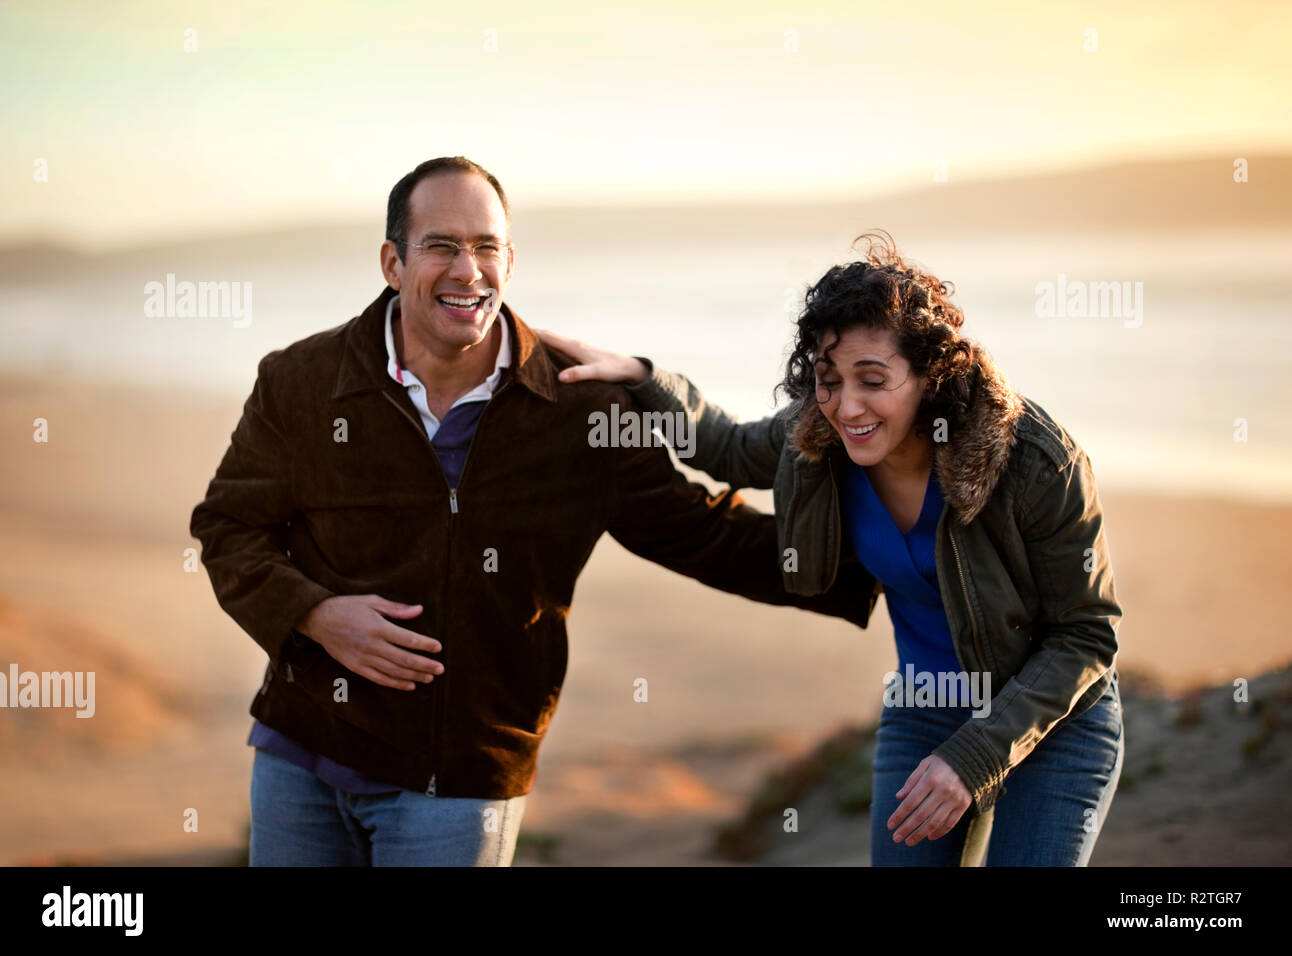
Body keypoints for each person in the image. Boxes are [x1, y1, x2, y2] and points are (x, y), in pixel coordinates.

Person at [188, 157, 875, 867]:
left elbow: (704, 533)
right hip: (301, 754)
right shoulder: (301, 382)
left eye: (486, 247)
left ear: (509, 261)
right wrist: (313, 613)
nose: (468, 270)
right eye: (441, 246)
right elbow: (229, 528)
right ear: (393, 262)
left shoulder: (578, 409)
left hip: (461, 781)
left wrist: (888, 561)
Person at [540, 231, 1125, 866]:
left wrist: (975, 756)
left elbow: (1085, 636)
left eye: (872, 380)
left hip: (1055, 723)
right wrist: (644, 378)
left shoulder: (1035, 461)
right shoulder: (816, 434)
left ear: (931, 376)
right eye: (827, 378)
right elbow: (728, 449)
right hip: (927, 706)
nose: (847, 407)